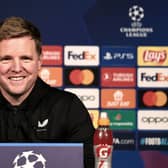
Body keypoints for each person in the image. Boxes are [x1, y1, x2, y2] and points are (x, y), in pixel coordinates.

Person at [0, 16, 95, 168]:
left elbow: (91, 164)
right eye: (6, 59)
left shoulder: (68, 107)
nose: (16, 68)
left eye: (26, 58)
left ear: (39, 62)